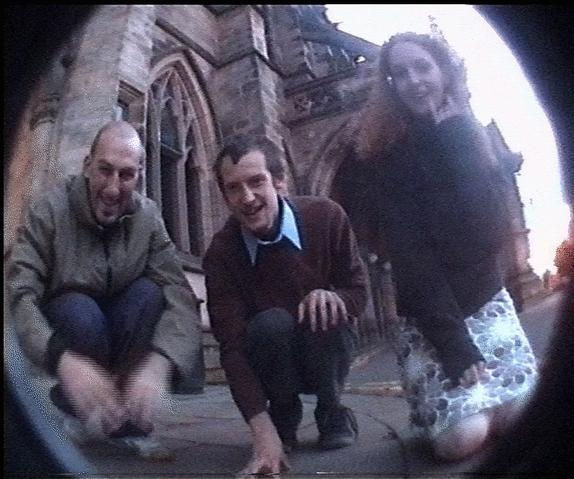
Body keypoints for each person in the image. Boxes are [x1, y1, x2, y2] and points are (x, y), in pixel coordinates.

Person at [353, 32, 539, 461]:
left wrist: (454, 135)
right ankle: (438, 413)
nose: (414, 81)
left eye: (423, 67)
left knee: (523, 417)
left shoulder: (466, 134)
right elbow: (412, 258)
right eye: (400, 73)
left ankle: (488, 406)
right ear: (390, 85)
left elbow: (487, 231)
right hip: (431, 316)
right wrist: (454, 344)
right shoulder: (386, 157)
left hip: (485, 298)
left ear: (444, 71)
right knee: (462, 440)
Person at [6, 121, 201, 457]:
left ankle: (128, 419)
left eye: (126, 175)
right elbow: (20, 291)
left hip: (125, 321)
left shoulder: (149, 218)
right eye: (104, 170)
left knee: (149, 294)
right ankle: (77, 403)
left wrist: (160, 361)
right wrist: (61, 358)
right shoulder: (49, 209)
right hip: (73, 325)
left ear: (139, 176)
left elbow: (179, 291)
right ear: (87, 166)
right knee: (77, 309)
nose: (112, 189)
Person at [203, 135, 368, 475]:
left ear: (279, 182)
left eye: (256, 182)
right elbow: (232, 347)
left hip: (324, 344)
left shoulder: (326, 216)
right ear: (225, 196)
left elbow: (358, 291)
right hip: (271, 354)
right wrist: (260, 428)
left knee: (329, 310)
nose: (247, 198)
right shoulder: (221, 254)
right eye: (234, 188)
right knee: (271, 323)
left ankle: (332, 410)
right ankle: (283, 414)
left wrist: (335, 296)